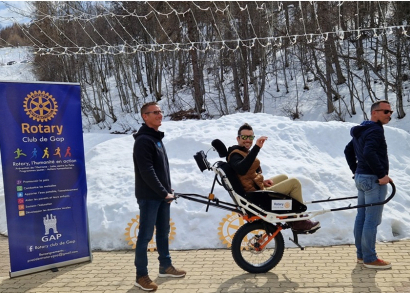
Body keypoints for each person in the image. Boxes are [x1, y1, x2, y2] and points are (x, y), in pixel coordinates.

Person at [227, 123, 320, 232]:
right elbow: (242, 169)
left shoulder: (242, 152)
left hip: (255, 191)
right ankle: (298, 221)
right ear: (238, 138)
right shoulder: (235, 155)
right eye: (244, 137)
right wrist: (256, 148)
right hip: (256, 197)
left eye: (251, 137)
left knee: (284, 177)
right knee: (294, 183)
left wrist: (263, 181)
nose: (248, 140)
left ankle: (291, 215)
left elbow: (247, 175)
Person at [133, 102, 186, 291]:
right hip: (149, 197)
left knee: (163, 232)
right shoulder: (143, 141)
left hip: (162, 196)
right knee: (145, 236)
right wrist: (163, 192)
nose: (159, 115)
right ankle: (141, 276)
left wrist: (167, 191)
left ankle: (165, 266)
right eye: (154, 112)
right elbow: (147, 171)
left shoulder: (156, 139)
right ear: (144, 116)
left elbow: (161, 170)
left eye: (160, 111)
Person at [344, 100, 393, 269]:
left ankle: (361, 255)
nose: (390, 115)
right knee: (371, 220)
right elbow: (369, 152)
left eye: (390, 112)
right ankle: (370, 258)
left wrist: (357, 171)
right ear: (374, 113)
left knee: (362, 218)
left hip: (362, 178)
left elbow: (348, 150)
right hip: (373, 180)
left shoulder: (362, 129)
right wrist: (381, 175)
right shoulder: (375, 131)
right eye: (386, 112)